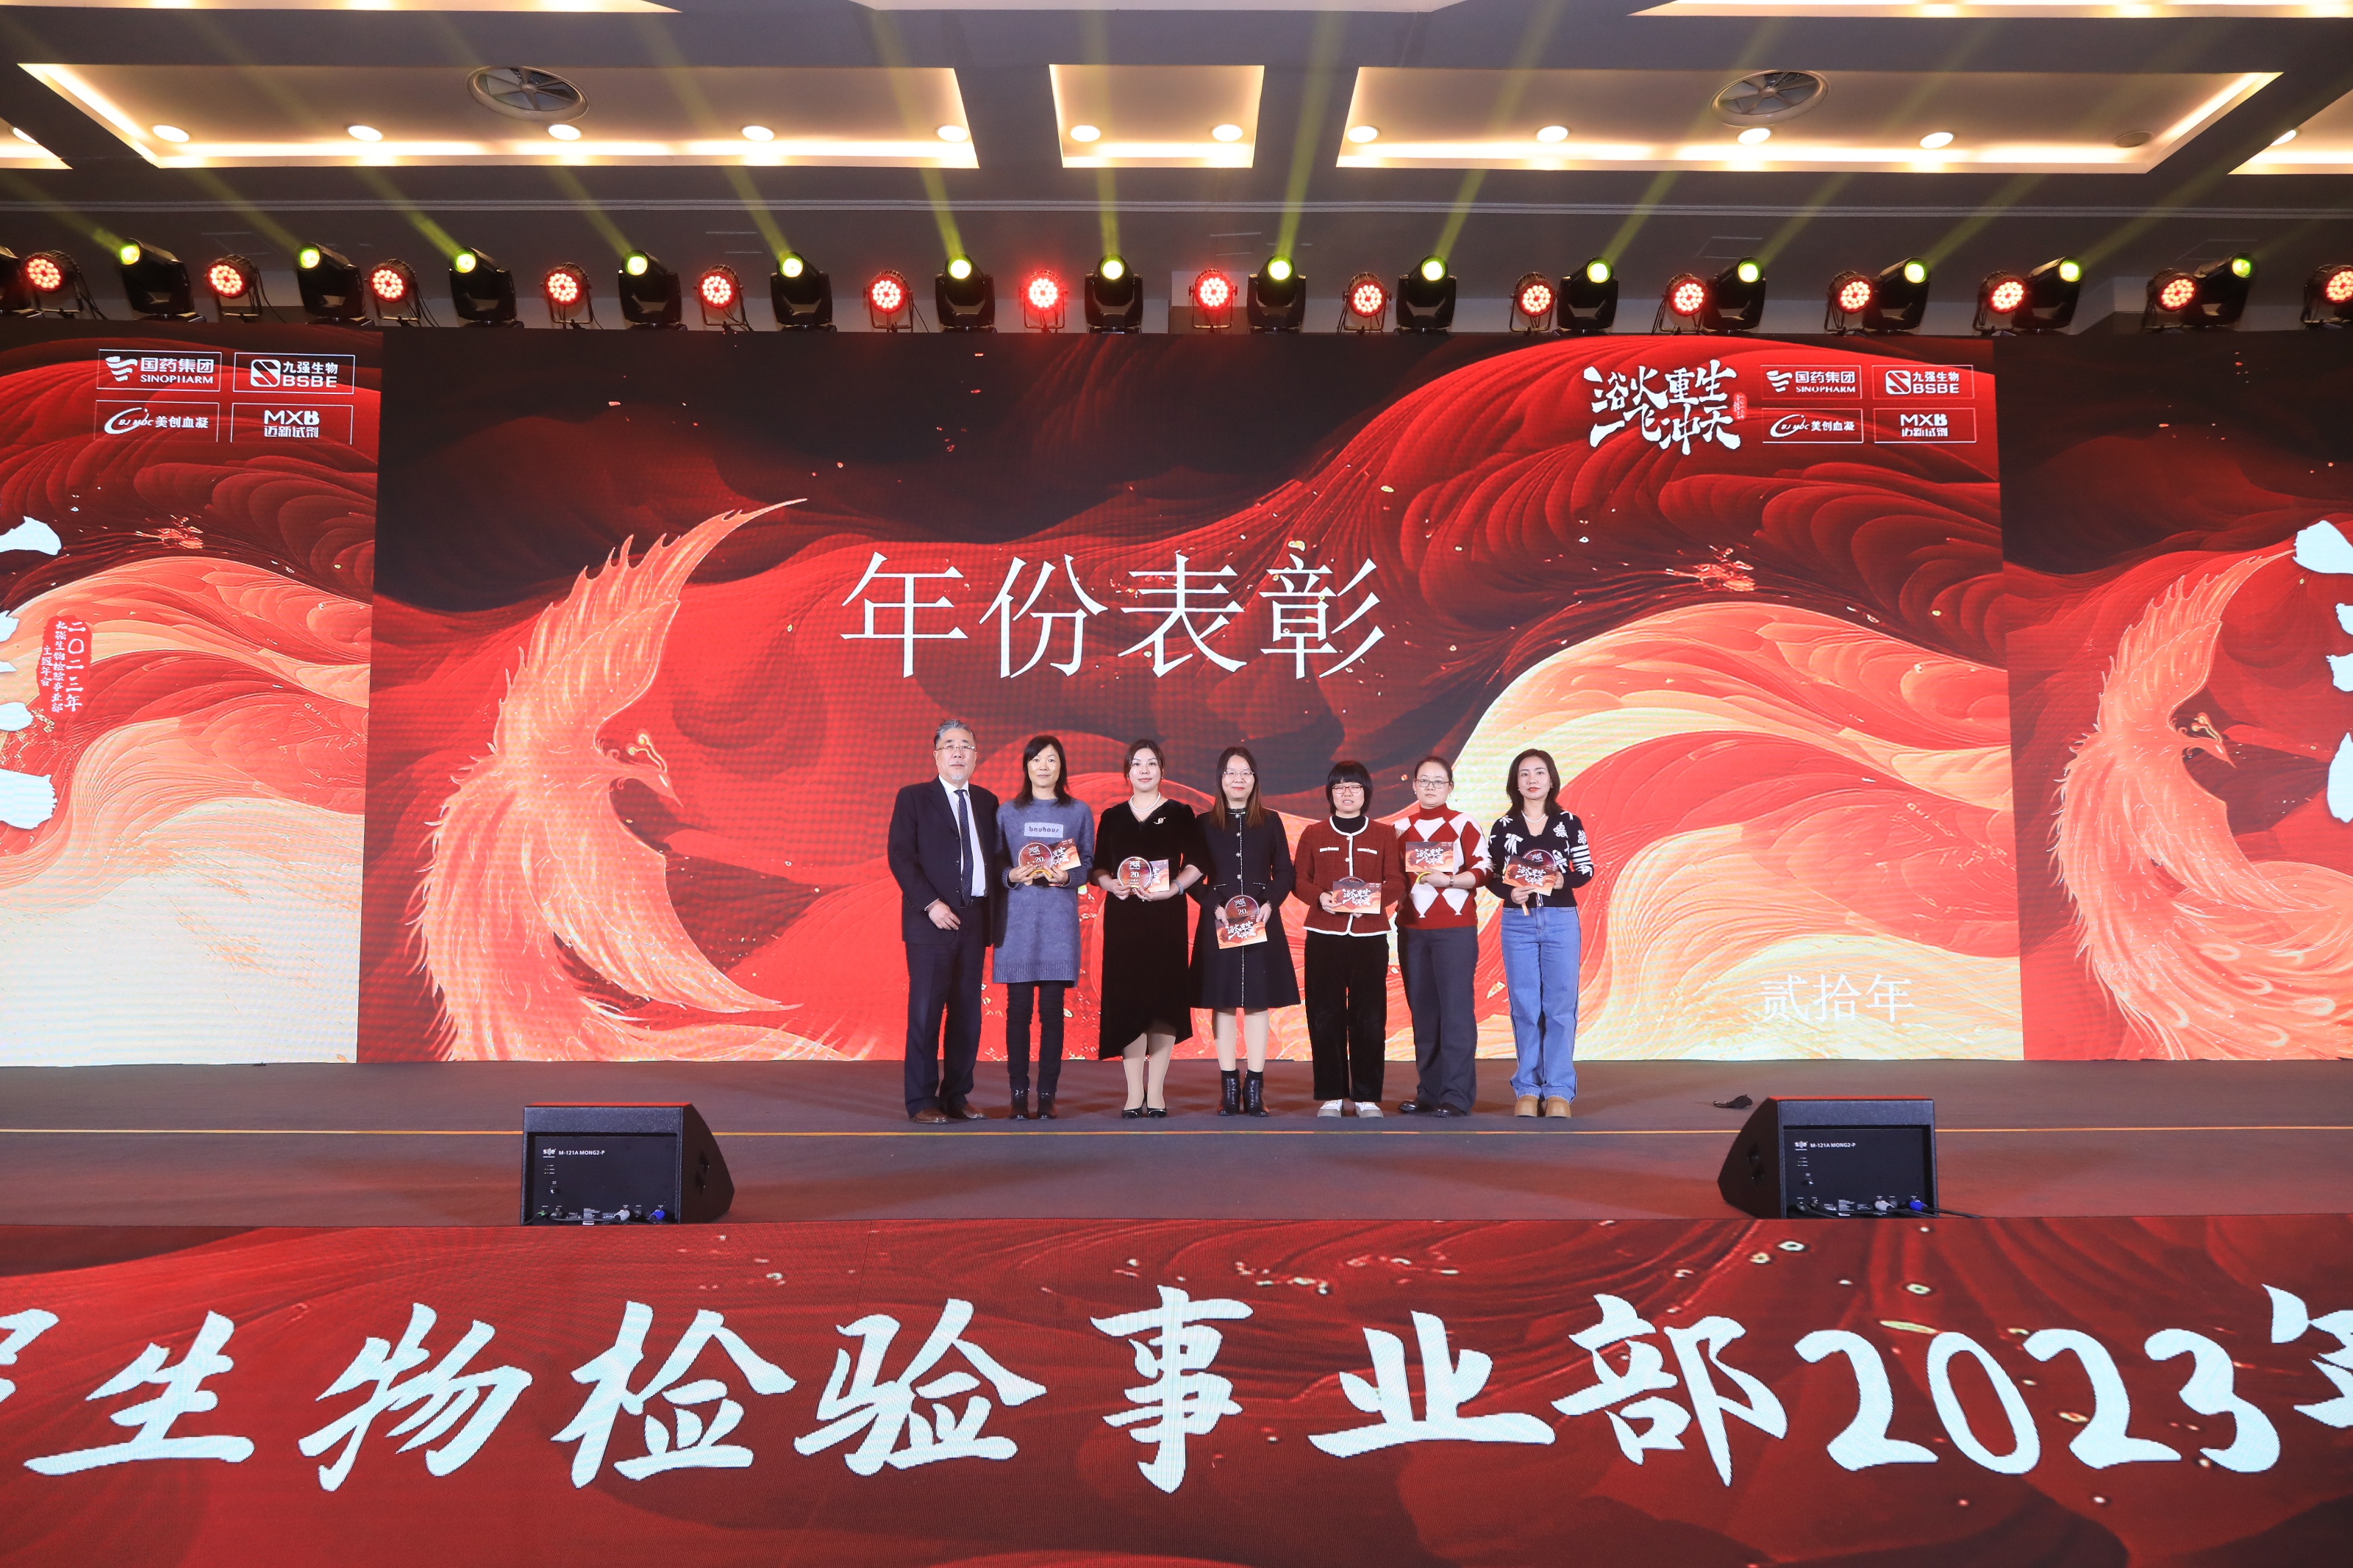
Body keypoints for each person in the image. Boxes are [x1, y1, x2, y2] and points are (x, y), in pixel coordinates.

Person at [886, 719, 1007, 1124]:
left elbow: (996, 858)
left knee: (967, 1014)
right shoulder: (914, 798)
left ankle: (956, 1095)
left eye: (966, 746)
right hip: (931, 922)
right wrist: (931, 904)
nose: (958, 752)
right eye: (950, 745)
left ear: (975, 756)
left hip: (974, 919)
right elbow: (901, 857)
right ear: (936, 755)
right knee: (925, 1013)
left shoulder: (988, 801)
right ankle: (921, 1100)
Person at [1094, 739, 1204, 1118]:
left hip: (1165, 918)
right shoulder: (1112, 816)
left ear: (1162, 770)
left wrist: (1174, 888)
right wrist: (1110, 884)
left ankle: (1155, 1092)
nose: (1144, 770)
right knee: (1128, 1001)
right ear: (1127, 772)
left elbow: (1197, 863)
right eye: (1137, 764)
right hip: (1124, 920)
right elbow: (1098, 866)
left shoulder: (1180, 813)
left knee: (1163, 1002)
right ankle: (1132, 1093)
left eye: (1152, 763)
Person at [1482, 748, 1595, 1119]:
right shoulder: (1503, 826)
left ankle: (1559, 1089)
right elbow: (1490, 874)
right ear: (1515, 783)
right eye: (1525, 774)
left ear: (1551, 779)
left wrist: (1563, 880)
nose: (1532, 780)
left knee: (1561, 1006)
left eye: (1540, 772)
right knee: (1525, 1005)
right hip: (1518, 922)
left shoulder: (1569, 822)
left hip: (1561, 919)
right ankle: (1528, 1088)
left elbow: (1586, 869)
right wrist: (1508, 892)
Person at [1292, 759, 1407, 1118]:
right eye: (1339, 787)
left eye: (1354, 787)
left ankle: (1366, 1096)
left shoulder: (1384, 834)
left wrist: (1372, 901)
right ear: (1330, 793)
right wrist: (1321, 898)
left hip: (1369, 936)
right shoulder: (1313, 833)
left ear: (1366, 792)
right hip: (1324, 935)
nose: (1347, 793)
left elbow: (1397, 882)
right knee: (1324, 1015)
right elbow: (1299, 880)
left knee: (1369, 1016)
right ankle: (1331, 1095)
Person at [1190, 745, 1299, 1117]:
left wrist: (1270, 903)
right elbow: (1191, 877)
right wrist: (1214, 906)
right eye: (1231, 773)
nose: (1239, 779)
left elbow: (1285, 872)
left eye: (1245, 773)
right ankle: (1228, 1086)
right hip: (1219, 920)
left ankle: (1254, 1087)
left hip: (1260, 920)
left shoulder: (1270, 821)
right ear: (1220, 779)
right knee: (1221, 1001)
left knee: (1257, 1000)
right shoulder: (1204, 823)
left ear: (1255, 780)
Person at [996, 734, 1094, 1121]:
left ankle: (1048, 1095)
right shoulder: (1008, 812)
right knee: (1018, 1012)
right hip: (1018, 926)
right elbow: (996, 862)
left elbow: (1087, 863)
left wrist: (1068, 878)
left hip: (1058, 925)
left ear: (1061, 766)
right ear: (1026, 765)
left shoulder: (1078, 811)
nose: (1043, 766)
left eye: (1051, 759)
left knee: (1053, 1013)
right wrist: (1010, 874)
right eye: (1036, 759)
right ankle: (1018, 1094)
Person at [1393, 755, 1485, 1118]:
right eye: (1424, 781)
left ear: (1450, 787)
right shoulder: (1400, 828)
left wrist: (1448, 880)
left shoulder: (1463, 823)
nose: (1431, 787)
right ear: (1414, 785)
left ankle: (1457, 1095)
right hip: (1412, 930)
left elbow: (1484, 868)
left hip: (1455, 930)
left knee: (1456, 1011)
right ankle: (1429, 1092)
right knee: (1423, 1011)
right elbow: (1390, 877)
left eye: (1439, 781)